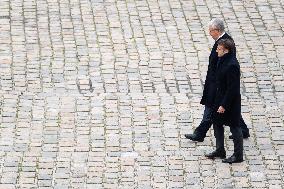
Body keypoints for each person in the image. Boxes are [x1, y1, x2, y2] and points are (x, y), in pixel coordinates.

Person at [185, 18, 250, 142]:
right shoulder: (222, 40)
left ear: (217, 30)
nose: (209, 33)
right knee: (224, 108)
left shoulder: (225, 42)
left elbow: (223, 64)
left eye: (211, 31)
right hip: (216, 83)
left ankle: (200, 133)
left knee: (210, 109)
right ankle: (243, 129)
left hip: (217, 84)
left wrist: (216, 84)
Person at [205, 38, 243, 163]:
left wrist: (223, 105)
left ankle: (238, 155)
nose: (217, 51)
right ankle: (220, 150)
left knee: (235, 127)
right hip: (220, 98)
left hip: (230, 102)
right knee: (216, 122)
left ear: (226, 50)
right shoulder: (222, 60)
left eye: (219, 49)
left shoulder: (232, 65)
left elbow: (233, 89)